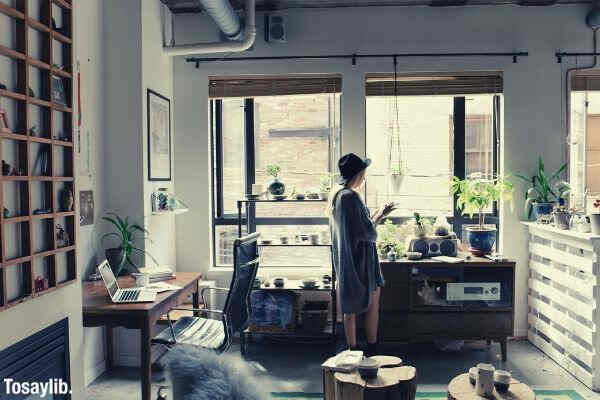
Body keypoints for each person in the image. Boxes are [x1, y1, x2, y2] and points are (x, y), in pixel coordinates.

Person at [327, 153, 396, 357]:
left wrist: (375, 215)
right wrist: (381, 215)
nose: (365, 176)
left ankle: (352, 350)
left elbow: (359, 227)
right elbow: (367, 232)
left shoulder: (338, 195)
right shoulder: (351, 198)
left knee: (350, 306)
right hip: (360, 261)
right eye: (363, 172)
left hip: (348, 259)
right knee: (371, 304)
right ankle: (371, 348)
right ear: (358, 174)